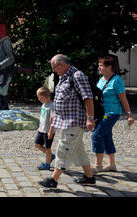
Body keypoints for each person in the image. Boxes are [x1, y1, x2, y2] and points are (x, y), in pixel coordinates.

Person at [38, 54, 96, 189]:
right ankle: (89, 177)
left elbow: (88, 98)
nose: (53, 70)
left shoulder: (77, 76)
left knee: (63, 149)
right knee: (78, 150)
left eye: (54, 67)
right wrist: (55, 115)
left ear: (62, 65)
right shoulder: (63, 77)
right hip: (66, 121)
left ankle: (53, 180)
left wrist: (90, 118)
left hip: (75, 122)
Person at [91, 55, 134, 174]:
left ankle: (98, 165)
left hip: (112, 113)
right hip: (102, 113)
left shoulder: (117, 80)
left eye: (101, 66)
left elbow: (123, 99)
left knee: (96, 135)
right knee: (106, 136)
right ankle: (112, 164)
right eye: (99, 65)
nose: (99, 68)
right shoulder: (101, 79)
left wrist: (129, 115)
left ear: (109, 67)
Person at [34, 87, 56, 170]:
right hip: (42, 129)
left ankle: (47, 164)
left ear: (42, 97)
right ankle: (51, 156)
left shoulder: (52, 106)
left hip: (48, 131)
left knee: (48, 148)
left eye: (38, 97)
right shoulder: (43, 105)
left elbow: (53, 120)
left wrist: (50, 131)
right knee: (37, 144)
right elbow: (42, 118)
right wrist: (39, 127)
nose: (38, 98)